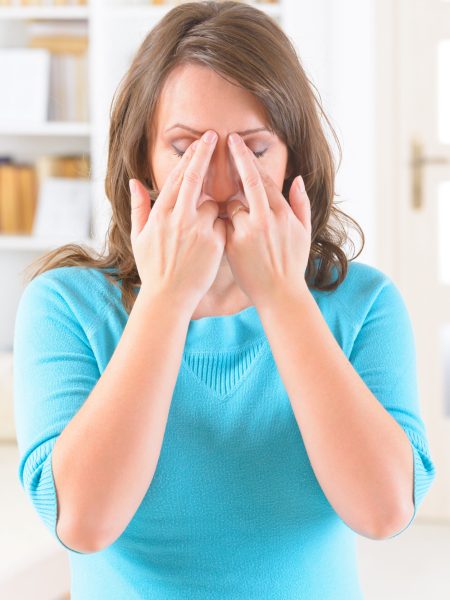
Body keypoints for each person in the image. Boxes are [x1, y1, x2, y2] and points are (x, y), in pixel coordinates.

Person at [13, 1, 436, 599]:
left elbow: (385, 513)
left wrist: (284, 297)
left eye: (252, 151)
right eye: (187, 150)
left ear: (293, 159)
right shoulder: (65, 306)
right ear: (143, 161)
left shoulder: (364, 304)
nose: (217, 186)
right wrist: (165, 299)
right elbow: (81, 523)